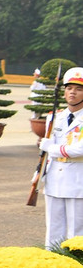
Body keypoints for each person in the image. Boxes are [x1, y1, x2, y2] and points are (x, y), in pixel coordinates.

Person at [40, 68, 83, 246]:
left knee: (77, 231)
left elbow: (80, 149)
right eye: (69, 88)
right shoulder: (54, 117)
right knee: (53, 229)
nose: (72, 92)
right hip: (54, 178)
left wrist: (52, 148)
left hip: (77, 179)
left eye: (79, 88)